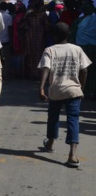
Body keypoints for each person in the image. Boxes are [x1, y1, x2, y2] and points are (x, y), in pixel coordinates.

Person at [39, 23, 91, 167]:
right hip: (74, 90)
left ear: (54, 36)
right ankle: (72, 155)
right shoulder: (77, 49)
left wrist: (42, 88)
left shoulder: (49, 50)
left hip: (56, 90)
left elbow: (46, 69)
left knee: (53, 117)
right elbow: (84, 71)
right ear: (68, 35)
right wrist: (81, 87)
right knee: (73, 120)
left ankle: (50, 142)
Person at [21, 0, 49, 80]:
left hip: (29, 38)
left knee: (30, 55)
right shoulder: (43, 15)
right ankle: (38, 74)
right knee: (39, 56)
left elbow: (23, 27)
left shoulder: (28, 15)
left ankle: (31, 73)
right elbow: (47, 27)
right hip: (39, 38)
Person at [0, 2, 13, 80]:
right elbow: (10, 29)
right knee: (6, 59)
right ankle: (5, 74)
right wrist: (11, 39)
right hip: (6, 40)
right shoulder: (8, 17)